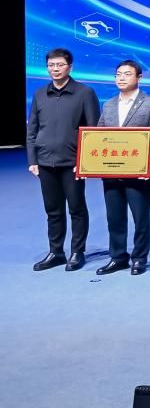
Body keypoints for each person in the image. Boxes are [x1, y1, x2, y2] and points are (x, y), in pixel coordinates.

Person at [26, 48, 100, 272]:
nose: (55, 69)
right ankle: (56, 252)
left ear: (70, 67)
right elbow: (32, 130)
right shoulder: (40, 94)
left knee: (76, 208)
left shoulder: (84, 93)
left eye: (60, 65)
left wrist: (85, 162)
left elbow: (93, 131)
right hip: (45, 162)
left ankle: (77, 252)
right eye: (51, 65)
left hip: (72, 163)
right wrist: (32, 160)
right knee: (53, 210)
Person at [96, 60, 150, 276]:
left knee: (140, 217)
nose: (121, 78)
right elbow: (98, 136)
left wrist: (148, 165)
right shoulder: (108, 105)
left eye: (127, 74)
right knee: (114, 217)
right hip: (111, 170)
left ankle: (139, 258)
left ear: (139, 77)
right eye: (118, 74)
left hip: (138, 171)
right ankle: (117, 257)